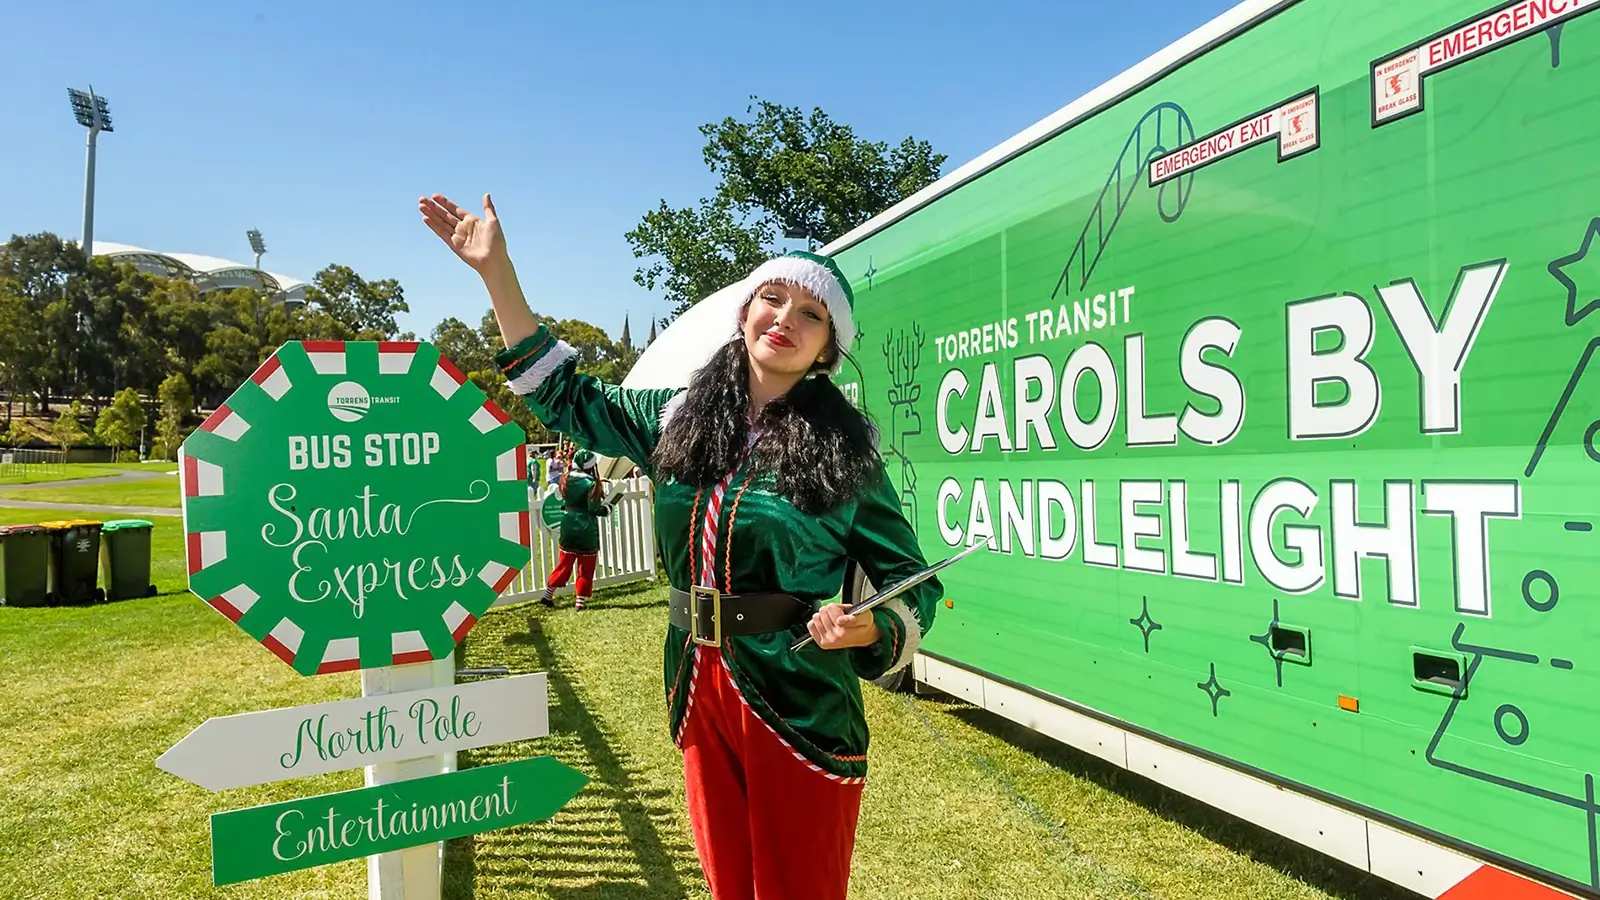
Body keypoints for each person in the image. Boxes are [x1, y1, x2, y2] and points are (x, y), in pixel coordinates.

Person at [419, 192, 944, 900]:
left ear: (827, 349)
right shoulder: (673, 418)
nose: (786, 319)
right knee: (727, 883)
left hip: (799, 695)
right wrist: (497, 274)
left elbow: (914, 581)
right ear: (746, 311)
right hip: (697, 683)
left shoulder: (846, 452)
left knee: (799, 888)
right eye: (773, 299)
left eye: (811, 314)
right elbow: (564, 396)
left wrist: (871, 623)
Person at [539, 448, 608, 611]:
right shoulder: (592, 483)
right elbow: (594, 508)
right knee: (586, 565)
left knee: (564, 563)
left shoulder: (566, 478)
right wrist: (608, 508)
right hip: (586, 527)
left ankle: (547, 596)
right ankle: (579, 602)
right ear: (591, 466)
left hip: (568, 523)